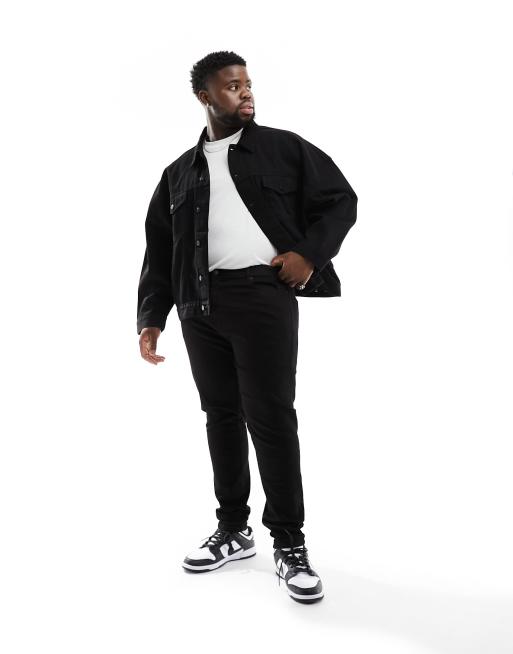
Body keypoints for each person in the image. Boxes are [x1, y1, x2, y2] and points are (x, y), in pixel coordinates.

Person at [137, 50, 357, 603]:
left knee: (271, 418)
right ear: (205, 96)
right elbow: (160, 248)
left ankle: (289, 542)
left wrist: (308, 255)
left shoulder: (283, 148)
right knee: (221, 416)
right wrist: (152, 317)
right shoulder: (178, 173)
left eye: (248, 83)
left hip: (262, 296)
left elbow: (340, 201)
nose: (246, 92)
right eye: (232, 86)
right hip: (199, 305)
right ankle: (233, 530)